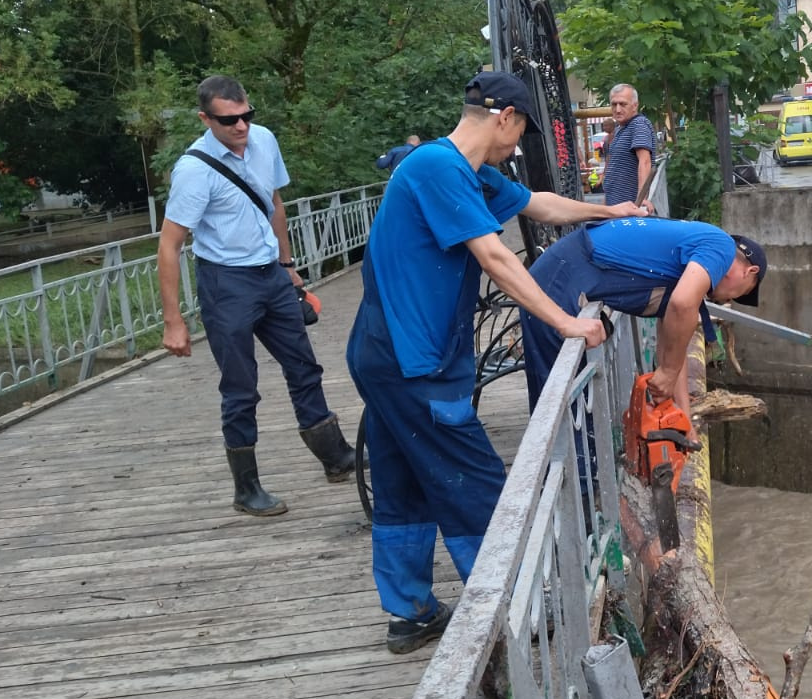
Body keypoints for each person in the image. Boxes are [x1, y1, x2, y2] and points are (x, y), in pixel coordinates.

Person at [347, 71, 648, 654]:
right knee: (477, 484)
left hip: (383, 355)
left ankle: (409, 613)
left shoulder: (471, 175)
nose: (515, 147)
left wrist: (610, 213)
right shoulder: (437, 170)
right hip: (417, 363)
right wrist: (566, 322)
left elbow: (540, 206)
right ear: (504, 117)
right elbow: (494, 257)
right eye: (519, 135)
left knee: (402, 479)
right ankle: (523, 610)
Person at [156, 75, 357, 517]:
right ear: (205, 119)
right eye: (230, 121)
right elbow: (169, 246)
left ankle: (336, 457)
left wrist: (289, 267)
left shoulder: (263, 141)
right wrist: (173, 321)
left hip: (270, 276)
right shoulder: (194, 170)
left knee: (304, 366)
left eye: (247, 115)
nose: (242, 126)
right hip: (226, 284)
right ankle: (246, 489)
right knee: (241, 387)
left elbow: (275, 203)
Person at [520, 216, 767, 420]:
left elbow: (674, 340)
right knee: (558, 402)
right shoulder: (721, 247)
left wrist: (683, 413)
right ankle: (571, 477)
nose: (727, 301)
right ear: (749, 272)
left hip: (568, 270)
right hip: (560, 277)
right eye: (740, 294)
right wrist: (667, 372)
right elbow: (682, 305)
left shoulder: (691, 264)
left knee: (570, 403)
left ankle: (583, 475)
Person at [602, 84, 657, 205]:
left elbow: (645, 162)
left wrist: (642, 200)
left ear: (635, 105)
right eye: (614, 104)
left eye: (623, 104)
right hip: (616, 206)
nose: (617, 109)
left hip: (630, 209)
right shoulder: (620, 129)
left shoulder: (639, 125)